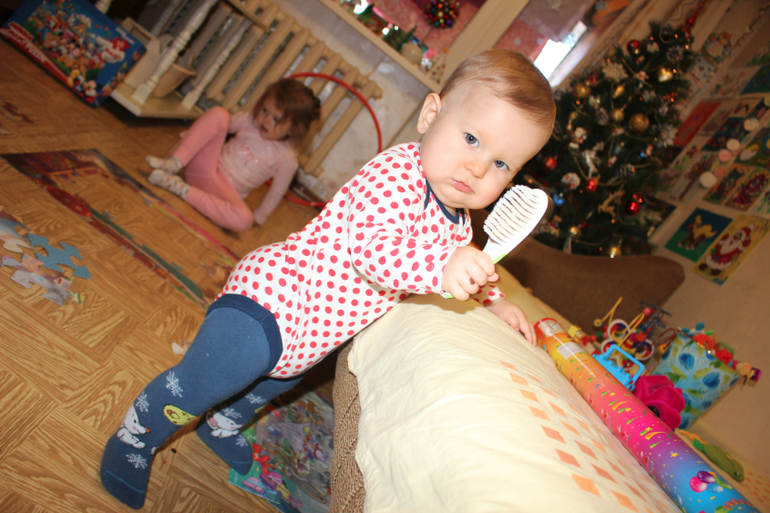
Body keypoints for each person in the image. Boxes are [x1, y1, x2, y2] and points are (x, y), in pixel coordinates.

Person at [100, 49, 556, 509]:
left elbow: (467, 267)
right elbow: (372, 251)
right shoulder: (397, 173)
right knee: (207, 380)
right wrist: (442, 268)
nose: (478, 168)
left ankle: (220, 426)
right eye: (472, 139)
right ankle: (136, 438)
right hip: (273, 298)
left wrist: (494, 300)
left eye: (502, 164)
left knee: (272, 384)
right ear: (431, 116)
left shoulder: (458, 224)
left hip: (316, 329)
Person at [146, 78, 321, 231]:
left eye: (276, 119)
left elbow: (276, 191)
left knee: (244, 220)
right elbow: (215, 126)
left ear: (294, 129)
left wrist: (259, 217)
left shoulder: (287, 159)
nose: (266, 120)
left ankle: (179, 188)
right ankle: (174, 163)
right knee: (219, 114)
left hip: (220, 194)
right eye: (264, 110)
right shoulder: (248, 121)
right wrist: (185, 144)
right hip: (203, 168)